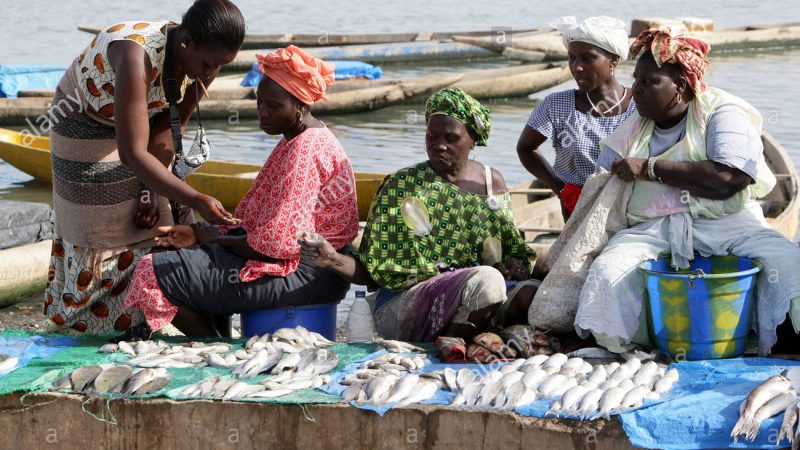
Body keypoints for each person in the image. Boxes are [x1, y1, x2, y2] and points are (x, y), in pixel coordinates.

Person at [574, 28, 800, 355]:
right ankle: (634, 348)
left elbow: (727, 179)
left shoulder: (722, 112)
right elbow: (602, 182)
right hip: (653, 230)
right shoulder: (634, 126)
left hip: (730, 224)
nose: (636, 91)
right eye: (636, 81)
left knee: (788, 262)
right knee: (608, 272)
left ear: (680, 86)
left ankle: (781, 343)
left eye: (650, 82)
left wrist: (650, 167)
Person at [124, 46, 359, 337]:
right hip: (307, 266)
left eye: (273, 106)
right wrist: (200, 233)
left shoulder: (305, 150)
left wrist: (215, 240)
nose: (263, 112)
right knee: (189, 254)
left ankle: (214, 346)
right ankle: (219, 341)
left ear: (300, 105)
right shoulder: (300, 138)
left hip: (308, 272)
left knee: (154, 273)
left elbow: (277, 244)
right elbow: (261, 227)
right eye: (260, 102)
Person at [45, 0, 245, 334]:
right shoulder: (133, 57)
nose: (210, 74)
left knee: (163, 225)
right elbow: (133, 155)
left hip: (142, 121)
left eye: (220, 66)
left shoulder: (205, 56)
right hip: (84, 118)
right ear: (186, 42)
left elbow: (169, 125)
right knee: (104, 227)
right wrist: (197, 198)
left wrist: (152, 192)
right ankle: (91, 322)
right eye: (208, 65)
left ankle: (151, 312)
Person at [298, 88, 535, 342]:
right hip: (406, 305)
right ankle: (450, 349)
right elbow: (371, 269)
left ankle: (472, 335)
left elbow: (513, 251)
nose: (439, 145)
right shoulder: (402, 186)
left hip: (476, 297)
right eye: (431, 135)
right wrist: (332, 258)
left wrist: (515, 266)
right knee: (488, 282)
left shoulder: (492, 183)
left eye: (451, 138)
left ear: (473, 139)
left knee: (531, 294)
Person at [516, 16, 635, 218]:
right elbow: (526, 149)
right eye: (572, 58)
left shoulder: (640, 105)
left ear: (613, 60)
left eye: (587, 59)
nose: (577, 67)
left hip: (630, 209)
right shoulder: (556, 105)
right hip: (576, 210)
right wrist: (559, 189)